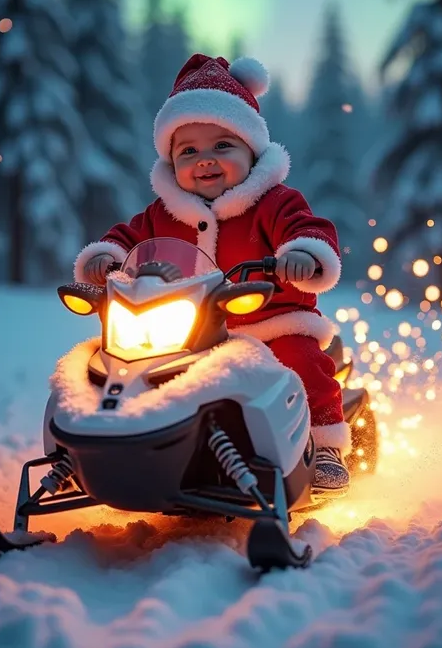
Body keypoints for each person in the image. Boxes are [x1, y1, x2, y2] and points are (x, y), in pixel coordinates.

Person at [74, 53, 350, 495]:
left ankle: (323, 443)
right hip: (191, 333)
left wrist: (303, 254)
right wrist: (106, 257)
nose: (205, 160)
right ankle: (123, 441)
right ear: (171, 161)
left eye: (222, 146)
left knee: (299, 360)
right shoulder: (164, 212)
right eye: (189, 151)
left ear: (251, 150)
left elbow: (308, 229)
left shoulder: (274, 202)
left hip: (270, 323)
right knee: (123, 367)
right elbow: (128, 236)